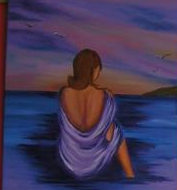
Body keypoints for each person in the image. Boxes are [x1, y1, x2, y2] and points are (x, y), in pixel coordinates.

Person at [58, 49, 135, 179]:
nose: (99, 73)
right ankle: (130, 175)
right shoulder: (105, 95)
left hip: (70, 158)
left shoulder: (64, 93)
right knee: (117, 129)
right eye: (98, 70)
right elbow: (109, 136)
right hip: (96, 160)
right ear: (93, 70)